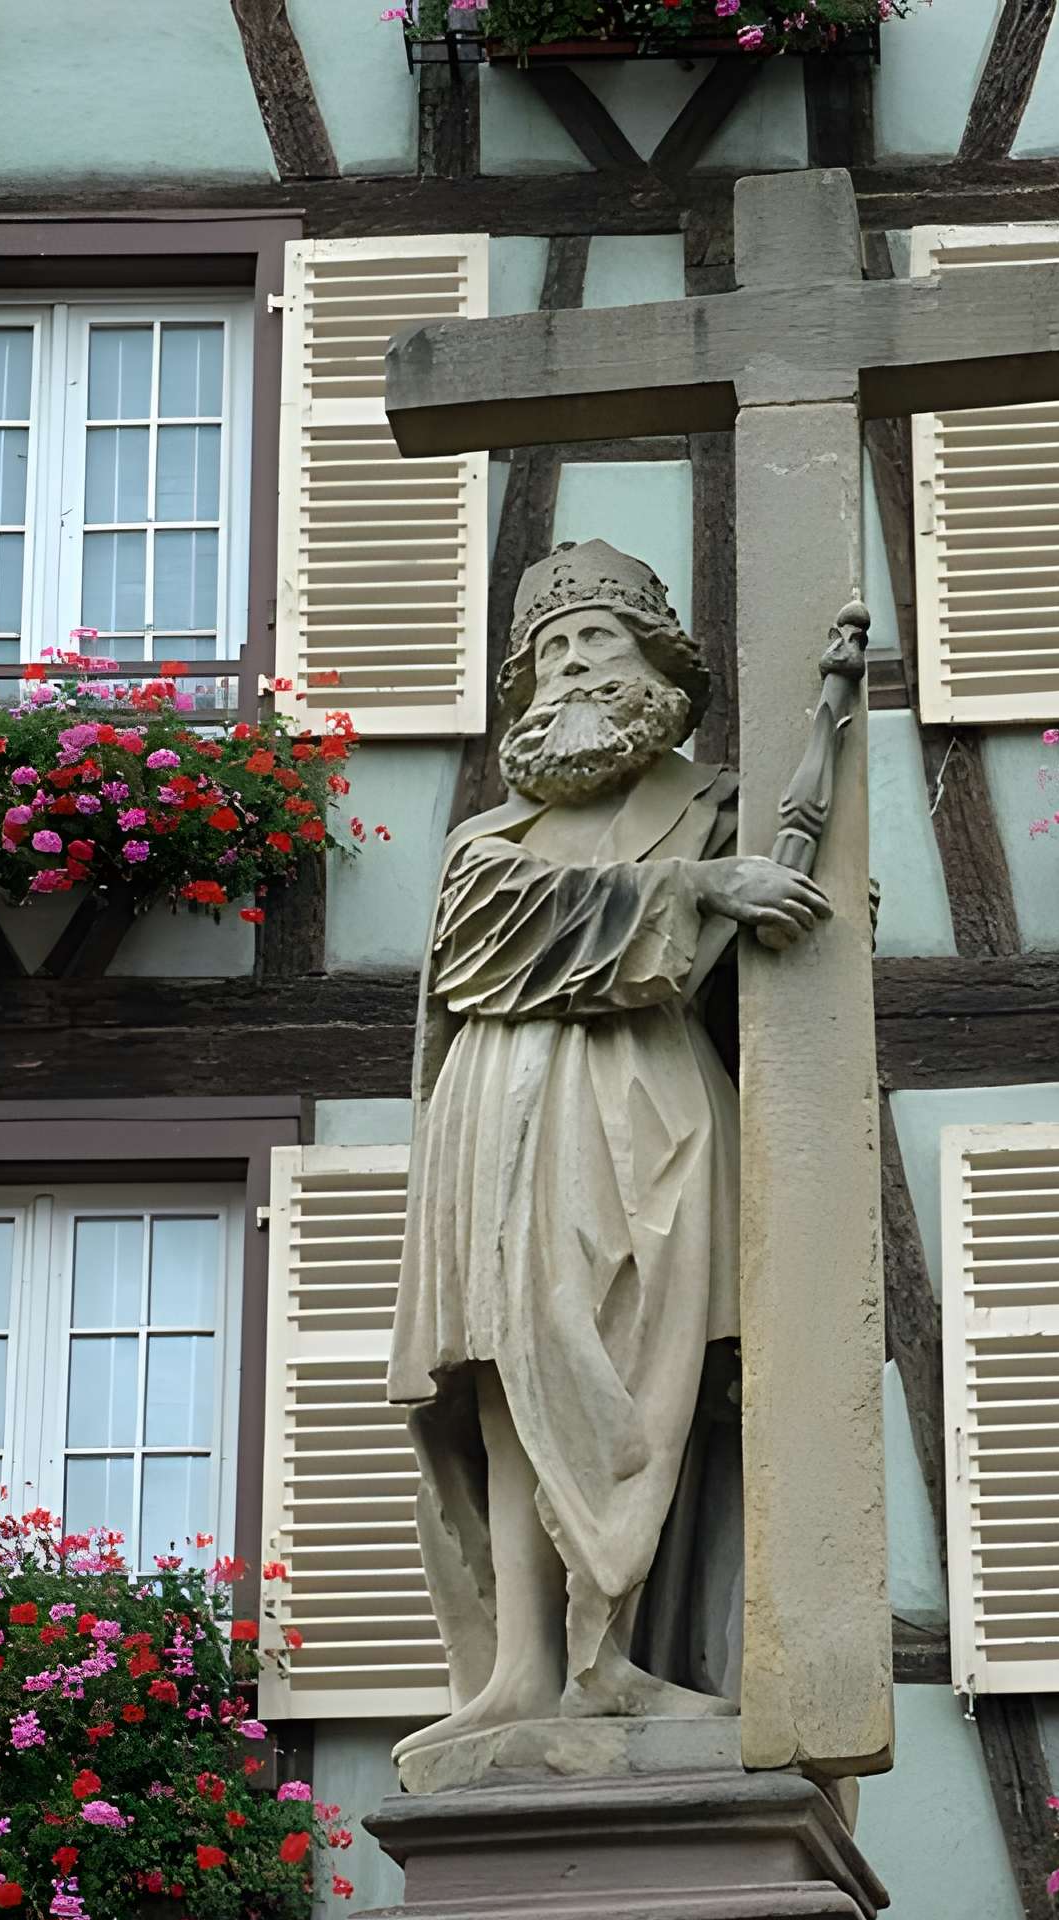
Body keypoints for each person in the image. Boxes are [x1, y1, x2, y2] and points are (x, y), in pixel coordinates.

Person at [388, 540, 828, 1763]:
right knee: (507, 1366)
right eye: (552, 651)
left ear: (656, 667)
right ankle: (525, 1670)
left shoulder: (721, 803)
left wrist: (725, 878)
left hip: (647, 1105)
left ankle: (615, 1658)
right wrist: (696, 889)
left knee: (639, 1361)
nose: (573, 666)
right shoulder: (492, 832)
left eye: (599, 643)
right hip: (494, 1107)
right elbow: (483, 944)